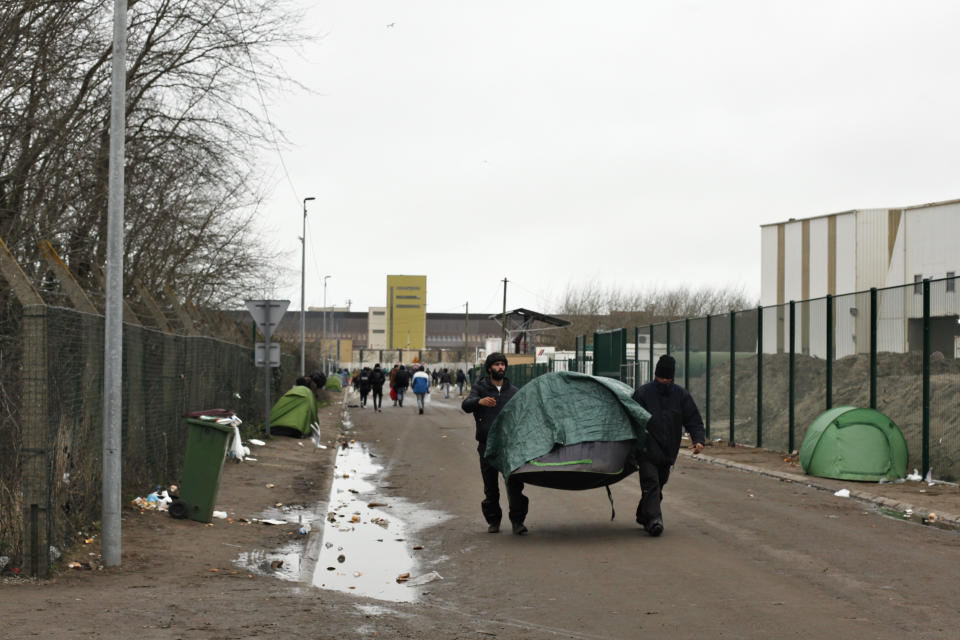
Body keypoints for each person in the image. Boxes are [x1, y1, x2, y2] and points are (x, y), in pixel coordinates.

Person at [631, 355, 705, 537]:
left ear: (672, 377)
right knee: (651, 483)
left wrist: (699, 439)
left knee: (658, 485)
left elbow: (693, 419)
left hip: (668, 451)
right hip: (647, 450)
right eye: (661, 378)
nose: (664, 381)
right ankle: (655, 520)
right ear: (655, 375)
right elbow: (632, 419)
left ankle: (643, 515)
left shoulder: (681, 395)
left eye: (668, 378)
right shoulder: (643, 393)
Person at [462, 352, 529, 535]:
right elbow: (466, 405)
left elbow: (523, 415)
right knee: (491, 487)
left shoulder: (513, 391)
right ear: (489, 368)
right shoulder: (480, 388)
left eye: (502, 364)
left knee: (514, 485)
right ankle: (494, 521)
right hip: (487, 445)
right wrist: (479, 402)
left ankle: (517, 522)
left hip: (509, 446)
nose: (500, 367)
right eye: (496, 364)